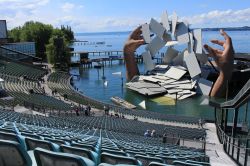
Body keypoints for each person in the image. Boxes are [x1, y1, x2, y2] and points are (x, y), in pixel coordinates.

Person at [123, 27, 234, 98]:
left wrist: (128, 54)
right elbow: (136, 83)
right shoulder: (162, 73)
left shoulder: (188, 78)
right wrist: (225, 73)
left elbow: (135, 83)